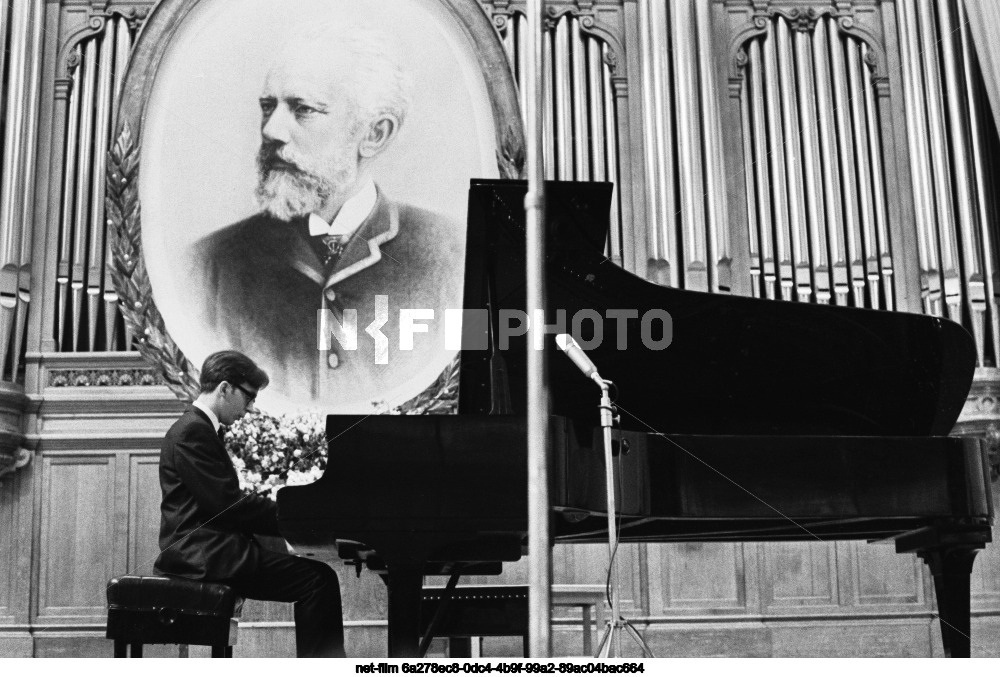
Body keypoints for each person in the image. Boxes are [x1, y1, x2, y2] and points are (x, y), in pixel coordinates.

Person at [196, 23, 462, 408]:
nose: (272, 130)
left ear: (375, 134)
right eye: (268, 107)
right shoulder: (210, 265)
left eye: (303, 109)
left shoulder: (452, 255)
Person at [154, 350, 345, 657]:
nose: (252, 408)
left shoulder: (197, 428)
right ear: (225, 388)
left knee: (318, 578)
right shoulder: (193, 431)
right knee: (318, 580)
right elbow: (228, 504)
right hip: (203, 554)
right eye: (249, 397)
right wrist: (297, 516)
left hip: (207, 549)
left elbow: (223, 502)